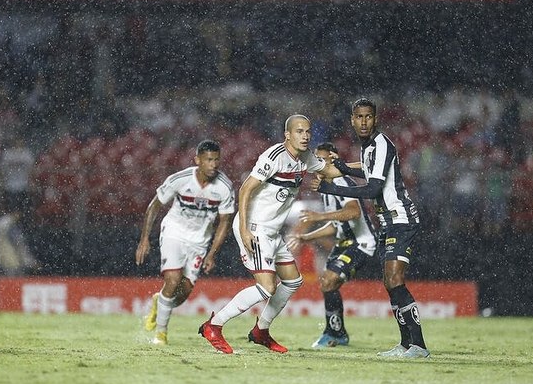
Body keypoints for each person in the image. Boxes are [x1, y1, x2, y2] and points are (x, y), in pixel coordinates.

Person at [198, 114, 342, 354]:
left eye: (307, 131)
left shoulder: (305, 157)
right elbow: (245, 189)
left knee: (293, 281)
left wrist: (367, 167)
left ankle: (261, 330)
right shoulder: (273, 156)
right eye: (299, 131)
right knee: (267, 287)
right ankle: (214, 325)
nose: (305, 136)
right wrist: (244, 229)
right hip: (255, 228)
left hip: (273, 232)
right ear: (287, 134)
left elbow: (331, 170)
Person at [310, 97, 430, 358]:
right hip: (387, 223)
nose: (364, 121)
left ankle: (418, 345)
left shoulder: (382, 143)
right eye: (359, 117)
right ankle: (406, 343)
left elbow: (374, 187)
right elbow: (366, 169)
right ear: (352, 121)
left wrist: (331, 185)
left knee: (395, 279)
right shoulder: (368, 148)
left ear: (375, 119)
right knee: (390, 282)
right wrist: (340, 166)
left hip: (401, 219)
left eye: (368, 116)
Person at [135, 140, 235, 345]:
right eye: (208, 160)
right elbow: (155, 205)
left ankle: (158, 300)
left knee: (182, 294)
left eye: (216, 160)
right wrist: (144, 238)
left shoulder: (225, 187)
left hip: (199, 242)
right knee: (172, 280)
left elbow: (225, 221)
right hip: (174, 233)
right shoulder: (180, 179)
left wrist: (212, 254)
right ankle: (160, 335)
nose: (213, 165)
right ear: (197, 160)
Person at [287, 142, 377, 348]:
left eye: (322, 160)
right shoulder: (327, 187)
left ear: (333, 158)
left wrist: (319, 215)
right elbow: (335, 225)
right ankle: (336, 332)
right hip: (343, 242)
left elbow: (352, 212)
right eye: (315, 161)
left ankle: (336, 333)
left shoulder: (342, 182)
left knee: (329, 280)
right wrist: (306, 237)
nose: (317, 165)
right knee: (327, 283)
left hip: (361, 243)